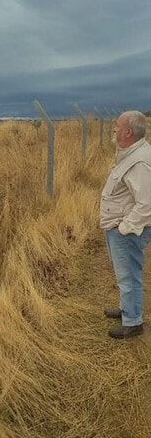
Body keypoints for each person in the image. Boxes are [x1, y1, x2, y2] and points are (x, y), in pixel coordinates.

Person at [101, 110, 151, 339]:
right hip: (118, 227)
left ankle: (133, 322)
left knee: (129, 275)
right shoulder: (130, 153)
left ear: (128, 132)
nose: (114, 128)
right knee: (124, 273)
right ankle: (126, 309)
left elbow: (147, 203)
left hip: (126, 230)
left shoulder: (140, 160)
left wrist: (124, 228)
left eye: (117, 125)